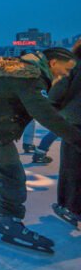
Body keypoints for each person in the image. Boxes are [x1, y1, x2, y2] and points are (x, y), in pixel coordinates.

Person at [0, 48, 81, 253]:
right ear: (53, 63)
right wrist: (77, 139)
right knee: (12, 175)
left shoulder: (24, 70)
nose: (66, 74)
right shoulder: (31, 77)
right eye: (66, 69)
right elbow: (44, 114)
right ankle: (10, 223)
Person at [48, 39, 81, 227]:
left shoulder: (74, 63)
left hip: (75, 122)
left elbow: (57, 91)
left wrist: (55, 111)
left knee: (72, 167)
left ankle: (70, 207)